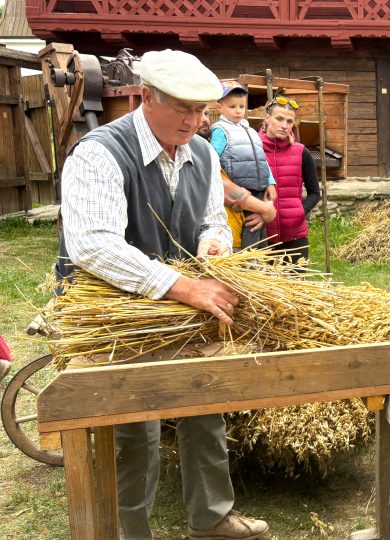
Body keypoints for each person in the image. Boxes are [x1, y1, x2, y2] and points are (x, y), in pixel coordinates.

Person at [58, 49, 268, 539]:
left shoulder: (203, 152)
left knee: (203, 399)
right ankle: (129, 530)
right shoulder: (100, 152)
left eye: (202, 112)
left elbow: (212, 219)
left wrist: (213, 245)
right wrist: (180, 284)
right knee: (133, 426)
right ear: (146, 97)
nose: (194, 121)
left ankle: (212, 517)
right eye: (182, 109)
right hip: (118, 307)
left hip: (181, 302)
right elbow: (93, 244)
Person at [210, 80, 277, 249]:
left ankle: (258, 266)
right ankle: (247, 265)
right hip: (240, 190)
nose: (238, 111)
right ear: (220, 108)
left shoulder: (250, 131)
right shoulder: (220, 130)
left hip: (259, 189)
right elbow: (211, 158)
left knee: (260, 232)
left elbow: (262, 158)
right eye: (232, 107)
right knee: (248, 230)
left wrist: (270, 182)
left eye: (242, 106)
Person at [259, 96, 322, 264]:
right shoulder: (253, 148)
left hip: (296, 237)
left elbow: (315, 193)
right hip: (262, 235)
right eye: (279, 119)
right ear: (267, 118)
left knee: (296, 288)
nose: (284, 125)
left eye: (289, 121)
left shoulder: (301, 152)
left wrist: (300, 212)